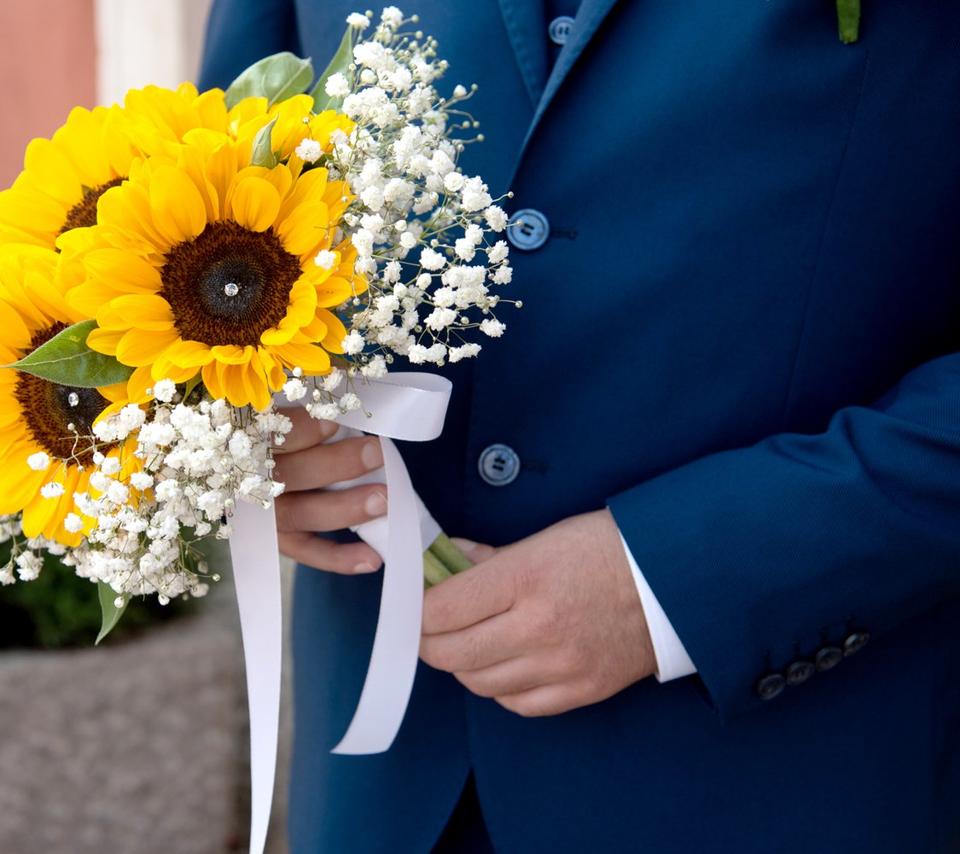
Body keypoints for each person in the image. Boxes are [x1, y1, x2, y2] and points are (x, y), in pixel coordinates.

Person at [199, 2, 960, 851]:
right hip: (385, 773)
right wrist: (247, 441)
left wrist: (678, 580)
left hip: (791, 774)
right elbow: (214, 199)